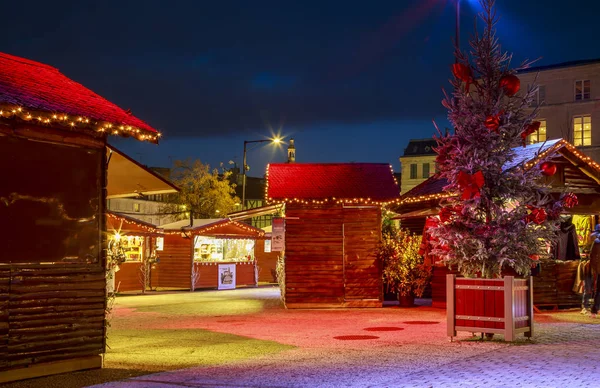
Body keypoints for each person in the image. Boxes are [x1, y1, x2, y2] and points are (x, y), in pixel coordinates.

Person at [588, 224, 600, 318]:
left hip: (599, 269)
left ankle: (595, 310)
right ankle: (595, 309)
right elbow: (593, 257)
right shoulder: (596, 242)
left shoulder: (596, 242)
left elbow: (592, 256)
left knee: (598, 290)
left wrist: (595, 268)